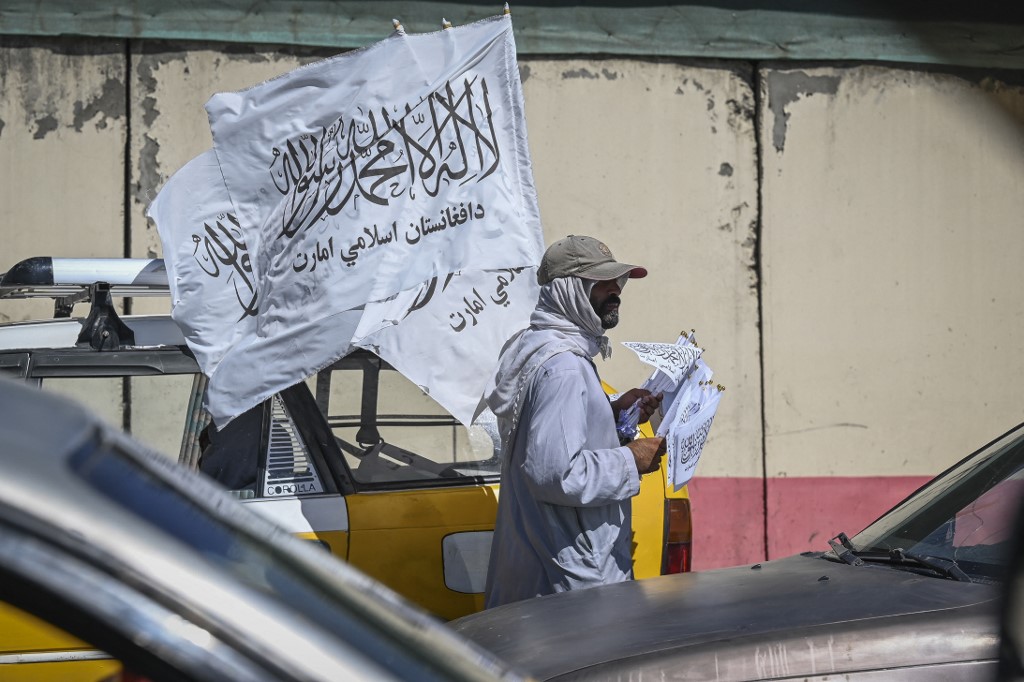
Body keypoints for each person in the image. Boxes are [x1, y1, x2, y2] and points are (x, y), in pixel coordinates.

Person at [483, 234, 666, 608]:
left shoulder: (546, 350)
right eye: (601, 282)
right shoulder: (563, 367)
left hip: (550, 567)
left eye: (617, 281)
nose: (616, 290)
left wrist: (614, 413)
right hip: (570, 579)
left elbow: (557, 436)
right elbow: (556, 474)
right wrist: (632, 459)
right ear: (569, 290)